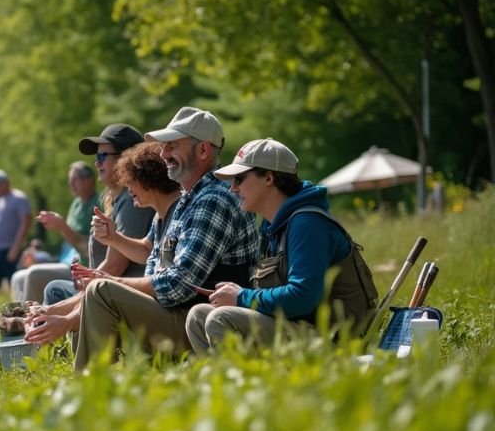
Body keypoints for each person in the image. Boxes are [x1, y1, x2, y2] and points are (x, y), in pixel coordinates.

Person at [70, 106, 259, 370]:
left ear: (203, 150)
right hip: (179, 314)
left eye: (172, 146)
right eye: (163, 147)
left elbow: (178, 286)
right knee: (99, 291)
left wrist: (113, 281)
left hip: (201, 326)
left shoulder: (214, 199)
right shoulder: (186, 201)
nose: (163, 154)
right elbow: (155, 264)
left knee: (102, 291)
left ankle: (91, 391)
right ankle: (99, 384)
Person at [185, 138, 379, 352]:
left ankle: (247, 384)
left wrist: (241, 297)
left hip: (336, 340)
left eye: (239, 179)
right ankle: (227, 382)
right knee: (198, 316)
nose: (232, 189)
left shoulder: (308, 223)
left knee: (220, 319)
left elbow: (302, 297)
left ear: (269, 178)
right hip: (300, 327)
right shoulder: (273, 226)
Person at [25, 141, 179, 346]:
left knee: (86, 290)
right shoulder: (158, 215)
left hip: (166, 310)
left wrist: (105, 279)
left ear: (147, 178)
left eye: (102, 156)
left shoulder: (147, 206)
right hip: (152, 299)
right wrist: (112, 239)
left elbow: (170, 282)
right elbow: (146, 250)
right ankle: (52, 340)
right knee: (90, 288)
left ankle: (76, 363)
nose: (97, 163)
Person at [39, 124, 156, 306]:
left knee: (54, 290)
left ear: (125, 158)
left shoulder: (132, 201)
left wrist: (70, 303)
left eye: (103, 156)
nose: (97, 162)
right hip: (109, 288)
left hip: (124, 295)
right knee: (52, 289)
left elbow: (115, 266)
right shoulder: (119, 199)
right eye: (96, 157)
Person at [10, 161, 100, 302]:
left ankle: (28, 321)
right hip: (65, 261)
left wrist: (61, 226)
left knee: (34, 274)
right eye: (69, 180)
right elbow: (69, 242)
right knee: (18, 278)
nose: (71, 184)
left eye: (74, 180)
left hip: (81, 266)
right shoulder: (76, 204)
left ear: (88, 180)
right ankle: (19, 317)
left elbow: (89, 246)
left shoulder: (97, 204)